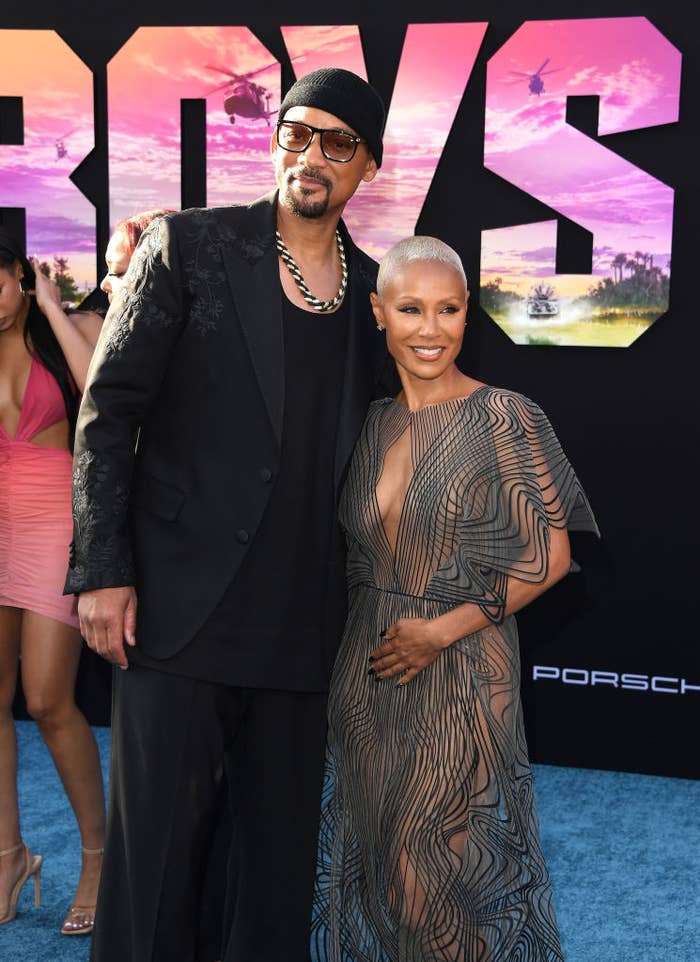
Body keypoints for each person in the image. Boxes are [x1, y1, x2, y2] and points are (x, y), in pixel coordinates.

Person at [64, 68, 392, 962]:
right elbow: (108, 412)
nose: (311, 156)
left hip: (303, 628)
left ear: (368, 166)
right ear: (275, 139)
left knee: (271, 887)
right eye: (297, 132)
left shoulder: (374, 295)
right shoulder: (190, 245)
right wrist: (102, 570)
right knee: (154, 877)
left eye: (337, 143)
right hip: (178, 613)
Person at [312, 236, 600, 962]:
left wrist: (439, 630)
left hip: (463, 665)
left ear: (469, 311)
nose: (431, 329)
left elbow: (553, 558)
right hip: (369, 671)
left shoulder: (503, 415)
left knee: (424, 880)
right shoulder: (371, 422)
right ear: (379, 311)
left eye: (448, 309)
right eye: (411, 309)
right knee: (384, 876)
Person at [0, 229, 105, 934]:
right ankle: (9, 855)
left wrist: (49, 305)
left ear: (17, 272)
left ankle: (99, 857)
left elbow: (103, 391)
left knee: (45, 699)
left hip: (54, 522)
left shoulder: (69, 328)